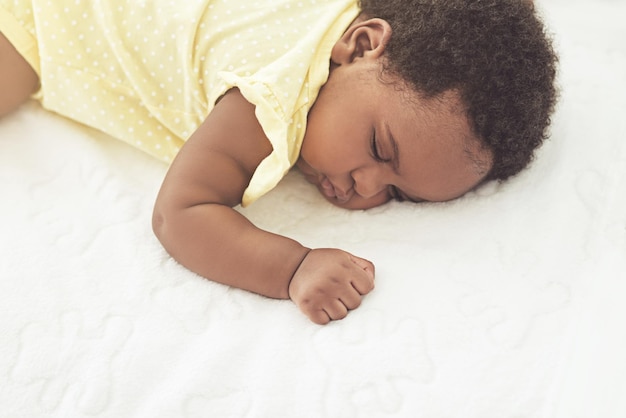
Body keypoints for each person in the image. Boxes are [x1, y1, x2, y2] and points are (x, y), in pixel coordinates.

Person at [0, 0, 557, 324]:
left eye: (398, 193)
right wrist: (292, 267)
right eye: (380, 150)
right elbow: (182, 212)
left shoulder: (332, 25)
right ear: (362, 45)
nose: (365, 188)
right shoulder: (270, 99)